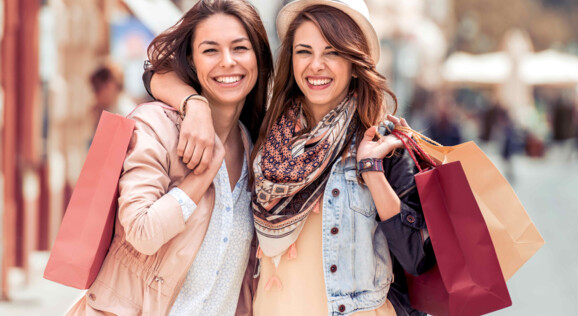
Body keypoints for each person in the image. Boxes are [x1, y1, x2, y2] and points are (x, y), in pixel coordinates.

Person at [146, 1, 434, 315]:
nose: (316, 66)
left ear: (355, 61)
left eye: (332, 52)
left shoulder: (383, 142)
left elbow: (417, 256)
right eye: (304, 51)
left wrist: (372, 170)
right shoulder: (268, 134)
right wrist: (194, 104)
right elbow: (154, 73)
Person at [66, 0, 273, 315]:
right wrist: (203, 174)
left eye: (240, 48)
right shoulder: (156, 126)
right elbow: (143, 232)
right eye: (210, 50)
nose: (228, 62)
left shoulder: (256, 146)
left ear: (259, 57)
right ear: (191, 60)